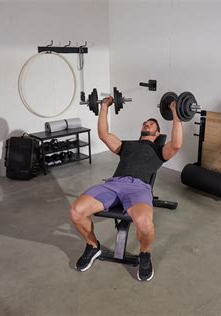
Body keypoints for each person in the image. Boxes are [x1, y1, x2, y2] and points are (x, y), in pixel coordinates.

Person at [69, 96, 182, 281]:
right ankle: (92, 245)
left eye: (151, 124)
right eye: (145, 123)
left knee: (145, 225)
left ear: (157, 132)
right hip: (113, 184)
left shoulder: (159, 150)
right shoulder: (127, 145)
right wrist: (104, 106)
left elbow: (176, 144)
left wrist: (176, 113)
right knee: (76, 211)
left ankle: (145, 254)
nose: (147, 124)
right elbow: (104, 134)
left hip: (139, 188)